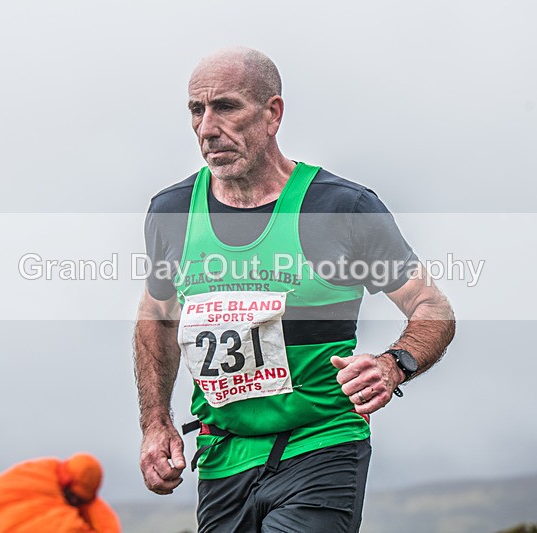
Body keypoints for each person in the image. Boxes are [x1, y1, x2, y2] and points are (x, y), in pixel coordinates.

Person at [134, 46, 455, 532]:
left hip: (321, 444)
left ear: (273, 113)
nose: (206, 128)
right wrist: (155, 423)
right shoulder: (172, 211)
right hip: (224, 456)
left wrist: (394, 365)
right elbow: (157, 316)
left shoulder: (341, 207)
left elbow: (431, 307)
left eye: (225, 107)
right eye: (196, 111)